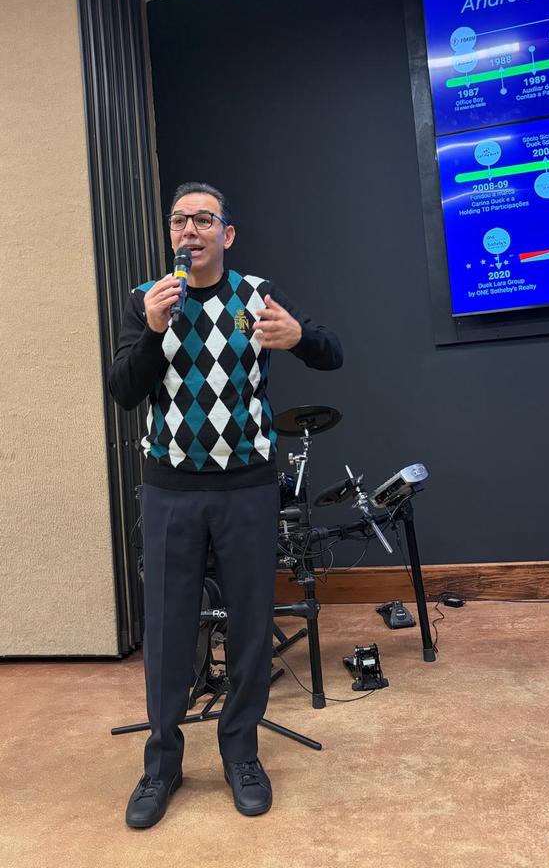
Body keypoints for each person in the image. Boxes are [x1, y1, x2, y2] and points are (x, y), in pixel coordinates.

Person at [108, 181, 343, 828]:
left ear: (226, 234)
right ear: (171, 234)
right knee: (166, 631)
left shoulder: (255, 295)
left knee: (249, 626)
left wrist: (298, 337)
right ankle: (162, 764)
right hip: (170, 489)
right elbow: (123, 391)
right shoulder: (145, 300)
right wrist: (153, 330)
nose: (189, 230)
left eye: (204, 219)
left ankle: (241, 752)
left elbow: (331, 352)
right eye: (179, 220)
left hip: (246, 487)